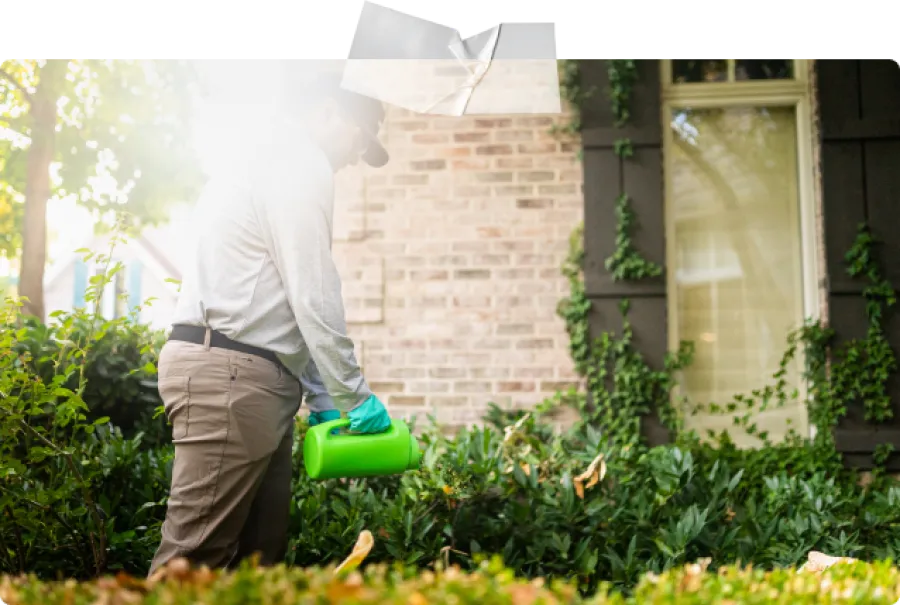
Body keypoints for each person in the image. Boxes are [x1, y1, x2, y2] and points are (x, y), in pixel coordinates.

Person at [147, 65, 392, 576]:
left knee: (256, 564)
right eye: (358, 138)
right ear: (328, 112)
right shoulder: (298, 161)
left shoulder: (266, 158)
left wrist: (323, 397)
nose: (354, 157)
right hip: (232, 378)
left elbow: (279, 302)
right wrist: (353, 394)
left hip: (249, 375)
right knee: (191, 564)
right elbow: (312, 290)